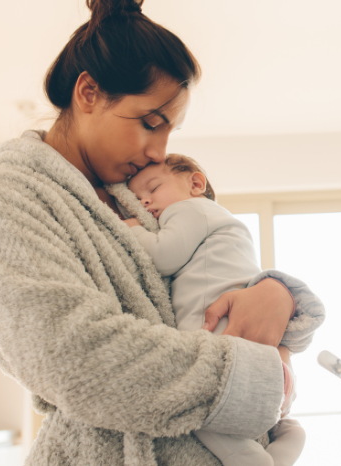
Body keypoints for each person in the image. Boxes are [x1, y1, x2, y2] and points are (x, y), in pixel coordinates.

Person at [0, 1, 325, 465]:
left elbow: (207, 258)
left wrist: (274, 292)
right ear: (88, 92)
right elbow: (71, 357)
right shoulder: (5, 195)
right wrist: (251, 375)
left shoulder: (128, 195)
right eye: (151, 124)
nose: (159, 153)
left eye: (170, 131)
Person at [120, 154, 306, 466]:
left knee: (197, 410)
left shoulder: (193, 210)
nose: (145, 202)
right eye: (137, 199)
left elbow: (164, 256)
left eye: (152, 188)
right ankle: (290, 440)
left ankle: (249, 460)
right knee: (287, 426)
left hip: (227, 341)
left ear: (195, 184)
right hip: (268, 363)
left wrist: (130, 228)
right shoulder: (218, 224)